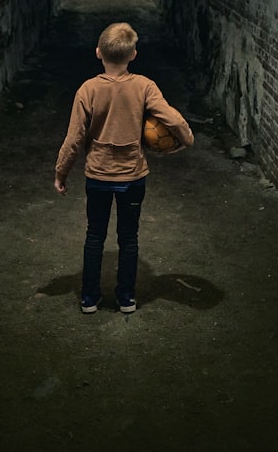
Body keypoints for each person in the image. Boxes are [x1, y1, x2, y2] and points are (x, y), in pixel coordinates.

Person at [54, 21, 194, 315]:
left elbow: (74, 138)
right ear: (133, 55)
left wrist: (61, 172)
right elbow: (175, 120)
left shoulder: (88, 89)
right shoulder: (145, 86)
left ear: (97, 53)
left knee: (95, 236)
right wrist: (186, 140)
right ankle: (127, 298)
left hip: (98, 176)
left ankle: (90, 299)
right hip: (132, 177)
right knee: (128, 238)